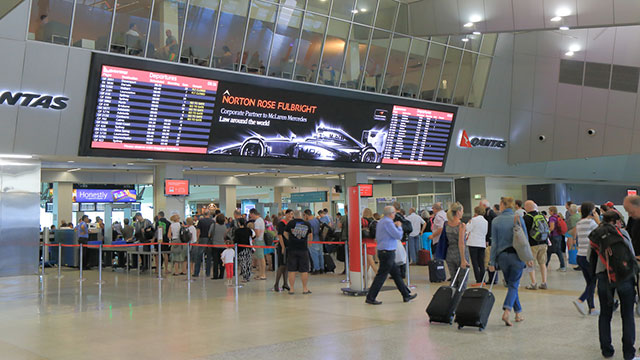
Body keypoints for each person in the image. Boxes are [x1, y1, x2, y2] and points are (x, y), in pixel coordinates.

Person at [591, 211, 637, 360]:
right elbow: (630, 253)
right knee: (627, 315)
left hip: (604, 277)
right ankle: (628, 352)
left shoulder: (596, 234)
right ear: (616, 221)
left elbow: (588, 257)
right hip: (624, 277)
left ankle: (607, 350)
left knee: (605, 314)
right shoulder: (622, 233)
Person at [489, 197, 534, 326]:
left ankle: (518, 313)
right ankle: (507, 311)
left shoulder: (496, 221)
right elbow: (525, 240)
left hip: (502, 257)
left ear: (502, 205)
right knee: (514, 285)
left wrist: (491, 262)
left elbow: (495, 243)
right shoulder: (518, 218)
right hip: (516, 256)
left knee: (511, 285)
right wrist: (529, 258)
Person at [365, 206, 417, 305]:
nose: (395, 215)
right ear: (391, 213)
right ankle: (371, 297)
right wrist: (399, 227)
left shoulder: (380, 222)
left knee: (396, 275)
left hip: (383, 251)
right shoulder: (388, 223)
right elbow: (398, 235)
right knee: (381, 276)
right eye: (394, 213)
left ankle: (406, 295)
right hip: (388, 252)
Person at [570, 201, 600, 316]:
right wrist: (597, 219)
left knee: (589, 283)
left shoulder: (579, 223)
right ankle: (580, 300)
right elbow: (603, 230)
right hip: (589, 256)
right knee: (593, 282)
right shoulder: (591, 223)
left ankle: (592, 308)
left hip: (580, 256)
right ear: (591, 211)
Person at [523, 200, 550, 290]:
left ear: (527, 207)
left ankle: (533, 283)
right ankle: (544, 282)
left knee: (531, 263)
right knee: (542, 263)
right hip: (543, 242)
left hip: (532, 244)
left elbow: (524, 232)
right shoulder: (541, 215)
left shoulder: (526, 217)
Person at [284, 210, 312, 295]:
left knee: (292, 269)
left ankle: (291, 289)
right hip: (303, 249)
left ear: (294, 216)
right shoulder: (307, 224)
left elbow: (285, 233)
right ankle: (305, 288)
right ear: (302, 215)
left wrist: (291, 239)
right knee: (304, 270)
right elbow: (310, 235)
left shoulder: (290, 223)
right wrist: (308, 243)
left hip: (292, 249)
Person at [442, 202, 469, 287]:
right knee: (462, 282)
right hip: (459, 254)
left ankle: (452, 298)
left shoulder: (446, 224)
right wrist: (463, 259)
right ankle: (460, 299)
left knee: (453, 280)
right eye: (462, 211)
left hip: (449, 254)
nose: (463, 213)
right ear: (458, 212)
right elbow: (461, 243)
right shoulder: (461, 225)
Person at [466, 206, 488, 284]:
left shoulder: (473, 220)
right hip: (482, 243)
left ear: (476, 212)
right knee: (481, 262)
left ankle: (478, 279)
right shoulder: (485, 221)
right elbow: (485, 232)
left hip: (473, 243)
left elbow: (467, 229)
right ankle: (483, 279)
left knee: (475, 262)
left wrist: (468, 223)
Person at [274, 209, 293, 292]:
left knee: (287, 266)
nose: (290, 216)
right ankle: (276, 283)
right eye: (288, 214)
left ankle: (285, 283)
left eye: (291, 214)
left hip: (290, 246)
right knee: (281, 265)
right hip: (283, 246)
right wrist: (282, 247)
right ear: (285, 214)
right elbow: (280, 236)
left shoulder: (292, 223)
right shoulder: (281, 224)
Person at [481, 199, 499, 284]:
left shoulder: (489, 213)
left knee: (489, 258)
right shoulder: (491, 213)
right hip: (491, 238)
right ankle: (493, 278)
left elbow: (489, 227)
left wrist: (488, 238)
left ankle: (493, 278)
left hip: (490, 239)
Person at [193, 210, 214, 278]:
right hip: (210, 240)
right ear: (209, 213)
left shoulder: (201, 221)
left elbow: (198, 231)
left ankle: (196, 272)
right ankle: (208, 273)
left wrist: (197, 240)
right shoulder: (212, 221)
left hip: (202, 239)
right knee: (209, 257)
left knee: (199, 256)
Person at [547, 206, 567, 272]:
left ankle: (545, 265)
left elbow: (552, 228)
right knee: (558, 251)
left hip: (553, 237)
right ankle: (562, 266)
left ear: (552, 211)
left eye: (549, 211)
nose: (549, 212)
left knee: (549, 251)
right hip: (559, 236)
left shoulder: (552, 218)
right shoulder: (558, 217)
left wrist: (547, 231)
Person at [249, 209, 267, 280]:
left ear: (253, 214)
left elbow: (257, 234)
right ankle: (261, 274)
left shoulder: (257, 222)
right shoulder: (261, 220)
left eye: (250, 214)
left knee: (261, 258)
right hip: (261, 240)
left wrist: (252, 237)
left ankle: (263, 274)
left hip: (258, 241)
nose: (250, 216)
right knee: (260, 258)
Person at [234, 218, 253, 282]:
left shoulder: (237, 231)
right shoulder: (248, 230)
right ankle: (248, 276)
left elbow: (235, 240)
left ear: (239, 223)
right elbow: (252, 236)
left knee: (243, 263)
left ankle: (245, 277)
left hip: (241, 249)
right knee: (248, 262)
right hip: (248, 247)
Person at [208, 213, 227, 280]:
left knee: (215, 261)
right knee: (222, 261)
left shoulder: (213, 226)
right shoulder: (224, 226)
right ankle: (221, 275)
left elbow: (209, 234)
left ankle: (215, 275)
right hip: (223, 246)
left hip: (215, 245)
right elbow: (225, 235)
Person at [305, 209, 323, 274]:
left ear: (306, 215)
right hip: (319, 239)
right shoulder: (317, 220)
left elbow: (311, 233)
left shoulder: (308, 222)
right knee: (320, 254)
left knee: (314, 255)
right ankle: (321, 268)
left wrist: (309, 242)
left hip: (312, 240)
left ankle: (317, 269)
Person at [361, 208, 378, 275]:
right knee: (368, 259)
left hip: (365, 240)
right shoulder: (373, 221)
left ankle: (377, 272)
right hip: (372, 240)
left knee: (369, 258)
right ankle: (364, 273)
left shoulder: (363, 220)